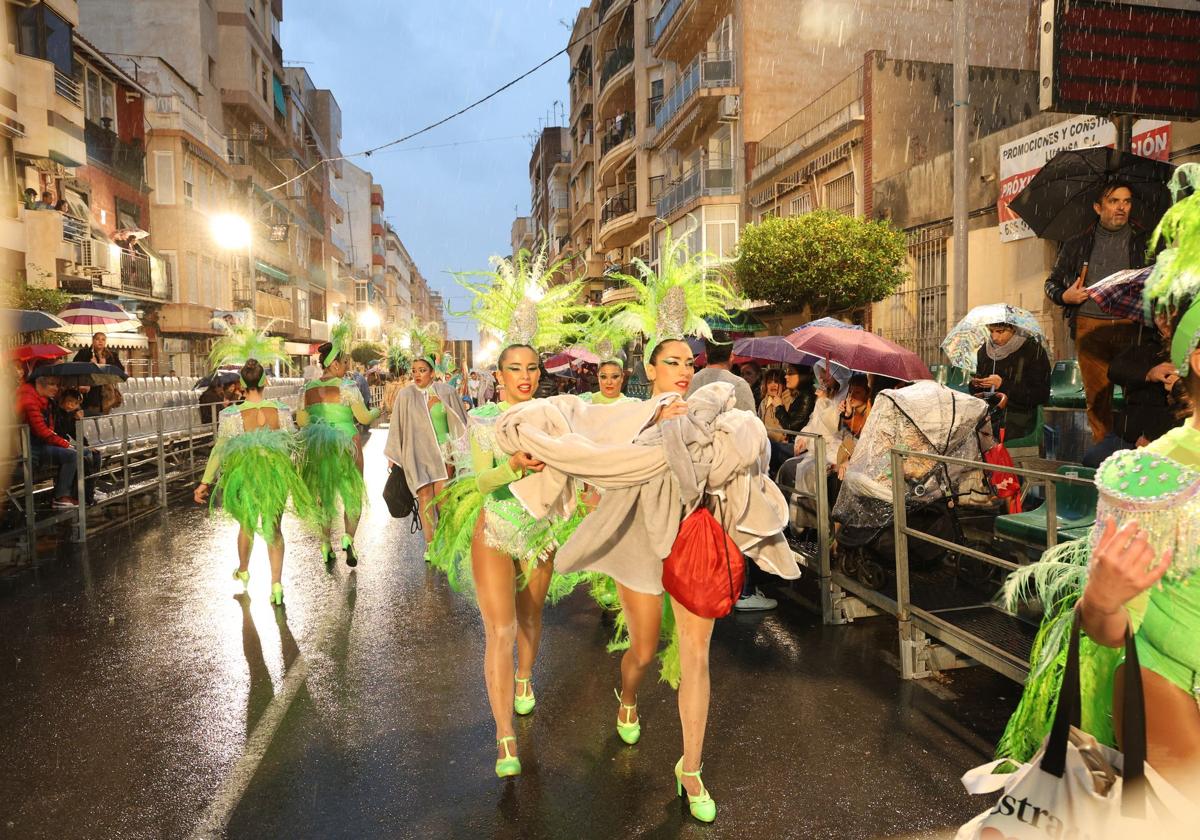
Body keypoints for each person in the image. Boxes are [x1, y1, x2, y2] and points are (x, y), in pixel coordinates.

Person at [428, 247, 591, 780]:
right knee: (498, 630)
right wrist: (515, 467)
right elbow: (477, 480)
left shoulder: (552, 417)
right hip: (494, 529)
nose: (524, 377)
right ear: (498, 374)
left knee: (530, 618)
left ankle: (526, 676)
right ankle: (503, 736)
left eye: (532, 369)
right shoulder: (482, 420)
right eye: (514, 369)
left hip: (540, 534)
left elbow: (576, 467)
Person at [194, 358, 314, 606]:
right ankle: (277, 585)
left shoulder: (231, 414)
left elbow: (220, 450)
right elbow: (292, 443)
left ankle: (244, 569)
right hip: (275, 474)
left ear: (240, 384)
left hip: (245, 475)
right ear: (265, 381)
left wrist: (205, 482)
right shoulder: (280, 409)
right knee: (274, 528)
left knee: (246, 525)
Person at [1044, 183, 1153, 442]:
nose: (1121, 207)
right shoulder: (1076, 244)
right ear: (1098, 207)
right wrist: (1064, 296)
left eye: (1126, 201)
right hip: (1090, 327)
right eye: (1114, 201)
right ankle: (1104, 454)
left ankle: (1134, 454)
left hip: (1132, 326)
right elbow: (1051, 283)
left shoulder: (1145, 240)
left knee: (1137, 394)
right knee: (1098, 398)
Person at [297, 327, 380, 567]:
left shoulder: (307, 389)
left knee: (324, 495)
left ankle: (325, 545)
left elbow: (302, 422)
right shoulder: (347, 388)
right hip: (348, 444)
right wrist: (378, 410)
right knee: (352, 493)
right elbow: (364, 418)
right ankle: (348, 538)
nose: (346, 368)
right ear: (333, 365)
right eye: (344, 363)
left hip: (320, 446)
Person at [383, 354, 468, 543]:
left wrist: (459, 451)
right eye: (414, 371)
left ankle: (446, 540)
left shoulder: (446, 392)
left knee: (443, 499)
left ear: (432, 373)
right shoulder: (406, 395)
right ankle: (430, 545)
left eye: (422, 370)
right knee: (424, 498)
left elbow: (461, 422)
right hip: (417, 453)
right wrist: (394, 456)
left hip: (444, 454)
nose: (417, 375)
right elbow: (397, 425)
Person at [16, 370, 98, 509]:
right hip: (32, 448)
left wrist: (72, 416)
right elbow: (42, 432)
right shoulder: (30, 401)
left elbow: (52, 429)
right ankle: (61, 497)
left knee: (89, 452)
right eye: (52, 384)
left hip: (44, 443)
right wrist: (65, 444)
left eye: (57, 384)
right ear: (39, 384)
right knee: (72, 455)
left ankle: (84, 494)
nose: (56, 388)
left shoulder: (47, 401)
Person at [969, 322, 1051, 442]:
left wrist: (1003, 385)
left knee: (987, 435)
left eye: (1000, 332)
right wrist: (976, 385)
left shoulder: (1032, 350)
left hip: (1019, 415)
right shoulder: (984, 352)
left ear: (1013, 329)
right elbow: (980, 392)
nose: (994, 337)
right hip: (989, 411)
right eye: (991, 331)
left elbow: (1041, 394)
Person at [686, 334, 754, 412]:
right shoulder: (739, 384)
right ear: (731, 356)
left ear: (706, 355)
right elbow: (750, 422)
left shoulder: (689, 382)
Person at [74, 333, 126, 417]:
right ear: (93, 340)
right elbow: (75, 369)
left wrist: (105, 366)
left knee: (103, 417)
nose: (100, 341)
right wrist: (89, 365)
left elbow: (120, 371)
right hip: (89, 392)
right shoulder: (83, 353)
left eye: (103, 339)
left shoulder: (112, 355)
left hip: (106, 393)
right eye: (97, 339)